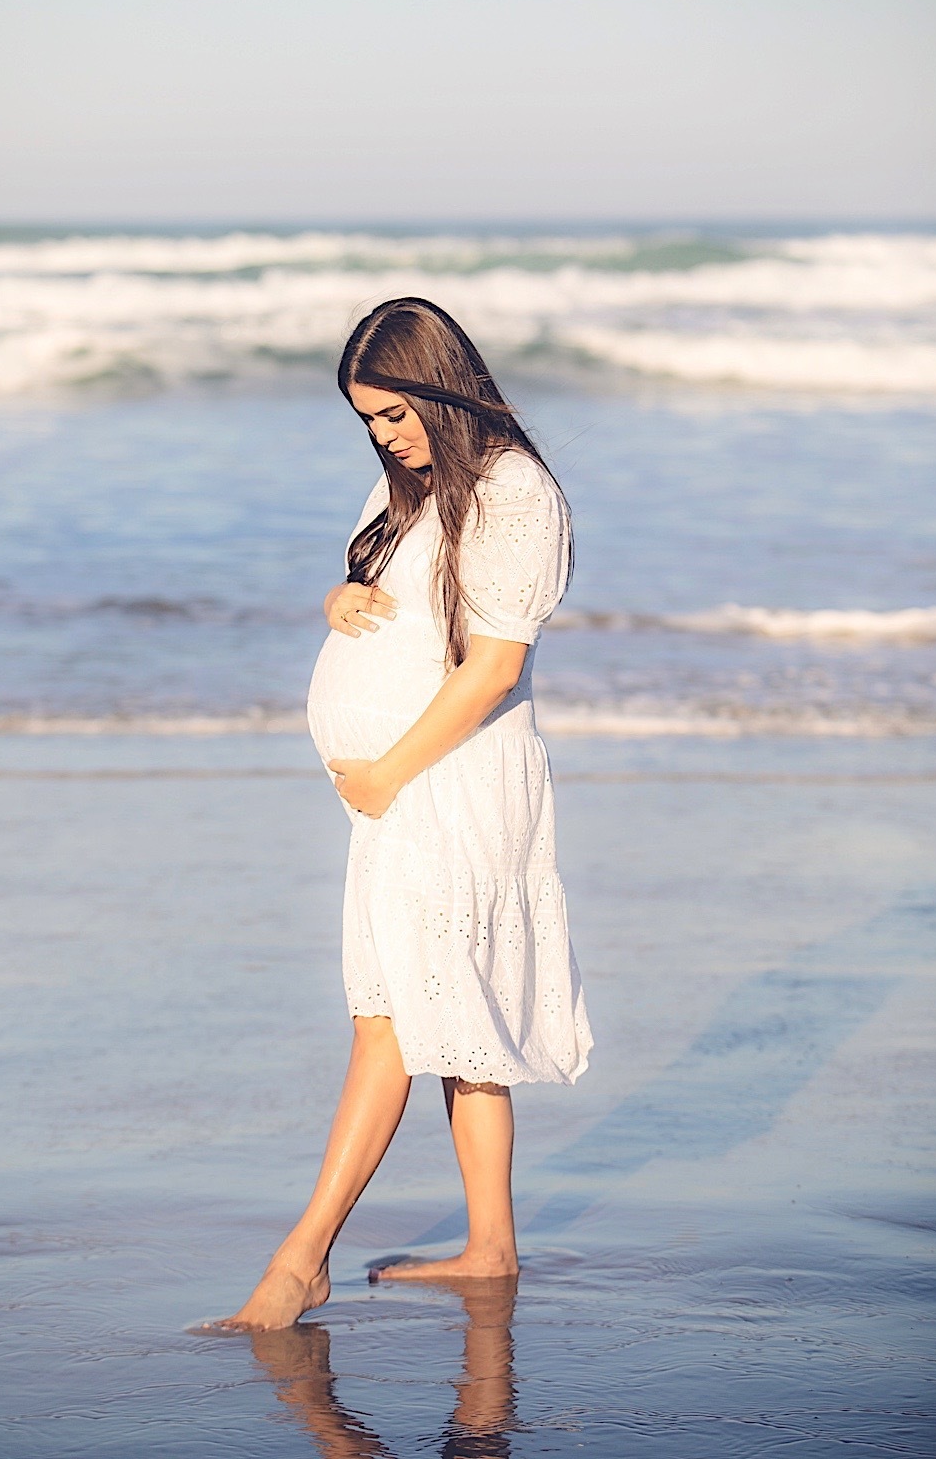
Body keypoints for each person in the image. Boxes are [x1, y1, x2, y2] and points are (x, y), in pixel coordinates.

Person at [201, 297, 592, 1333]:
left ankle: (301, 1259)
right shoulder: (417, 491)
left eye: (394, 410)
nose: (385, 433)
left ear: (440, 382)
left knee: (388, 1019)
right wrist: (342, 598)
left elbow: (493, 665)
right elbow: (397, 601)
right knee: (452, 1025)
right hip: (405, 786)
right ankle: (491, 1248)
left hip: (450, 780)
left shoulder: (514, 494)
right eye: (368, 420)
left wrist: (384, 773)